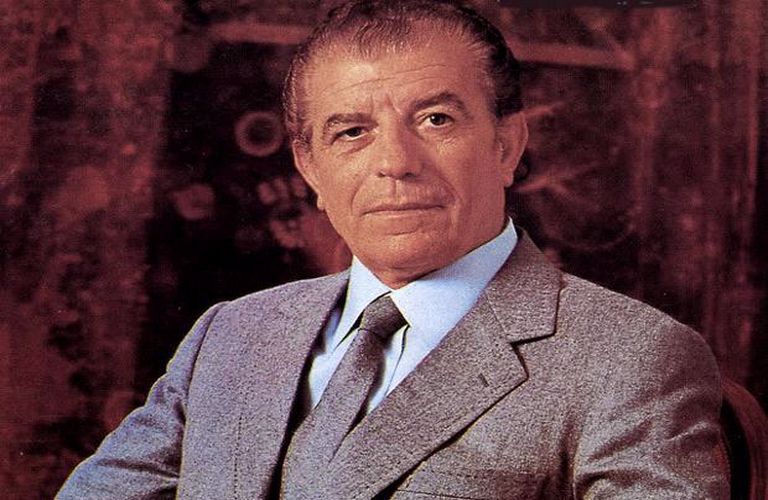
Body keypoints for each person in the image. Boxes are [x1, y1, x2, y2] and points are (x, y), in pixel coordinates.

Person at [57, 1, 729, 498]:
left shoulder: (630, 359)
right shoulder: (229, 334)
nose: (395, 163)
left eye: (436, 119)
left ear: (506, 146)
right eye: (351, 132)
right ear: (311, 169)